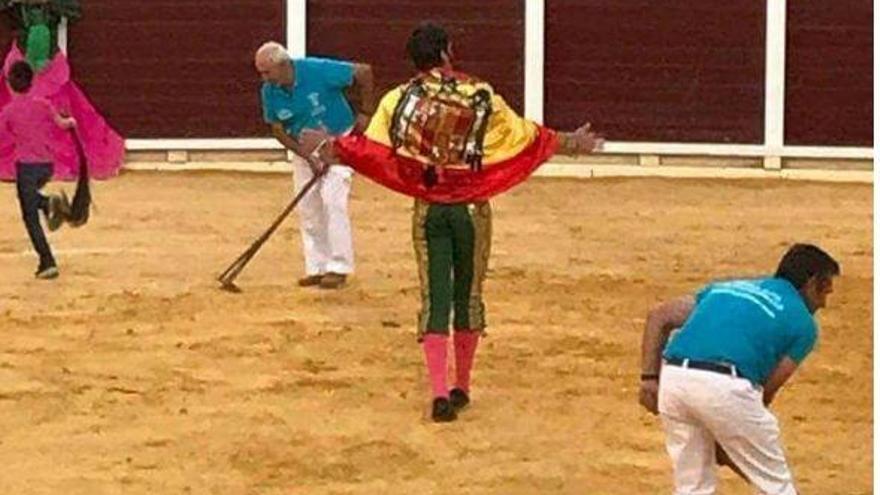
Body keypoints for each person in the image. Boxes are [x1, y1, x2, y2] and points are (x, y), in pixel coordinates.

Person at [301, 23, 603, 422]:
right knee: (468, 295)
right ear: (447, 52)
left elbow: (374, 151)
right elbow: (523, 137)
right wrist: (569, 143)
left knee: (435, 297)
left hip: (430, 209)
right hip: (472, 210)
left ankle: (440, 394)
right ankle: (462, 386)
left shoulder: (400, 99)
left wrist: (332, 146)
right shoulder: (479, 94)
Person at [638, 243, 840, 494]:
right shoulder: (804, 325)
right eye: (825, 291)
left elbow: (660, 316)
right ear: (811, 283)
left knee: (692, 487)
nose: (823, 303)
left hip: (675, 379)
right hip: (725, 387)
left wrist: (649, 378)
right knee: (777, 486)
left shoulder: (727, 289)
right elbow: (766, 390)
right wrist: (731, 441)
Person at [254, 41, 375, 289]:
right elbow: (277, 129)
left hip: (340, 141)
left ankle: (339, 267)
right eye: (261, 73)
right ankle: (317, 266)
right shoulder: (269, 90)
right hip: (305, 149)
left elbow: (363, 71)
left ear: (284, 65)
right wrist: (307, 156)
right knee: (309, 208)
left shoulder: (316, 69)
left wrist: (366, 113)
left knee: (333, 200)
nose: (264, 78)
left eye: (267, 72)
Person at [0, 60, 75, 279]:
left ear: (10, 84)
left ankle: (47, 261)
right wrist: (71, 122)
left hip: (27, 169)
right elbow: (63, 124)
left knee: (29, 216)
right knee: (32, 202)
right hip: (46, 167)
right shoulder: (44, 104)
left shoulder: (9, 111)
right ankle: (48, 203)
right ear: (32, 82)